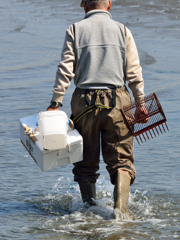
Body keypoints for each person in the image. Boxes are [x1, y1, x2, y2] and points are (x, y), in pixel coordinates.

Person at [47, 0, 148, 219]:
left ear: (84, 5)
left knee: (84, 162)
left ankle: (88, 211)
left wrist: (56, 102)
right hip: (117, 102)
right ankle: (120, 209)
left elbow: (66, 68)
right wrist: (140, 103)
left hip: (84, 102)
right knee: (121, 160)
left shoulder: (74, 29)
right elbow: (134, 72)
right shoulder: (123, 30)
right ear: (109, 4)